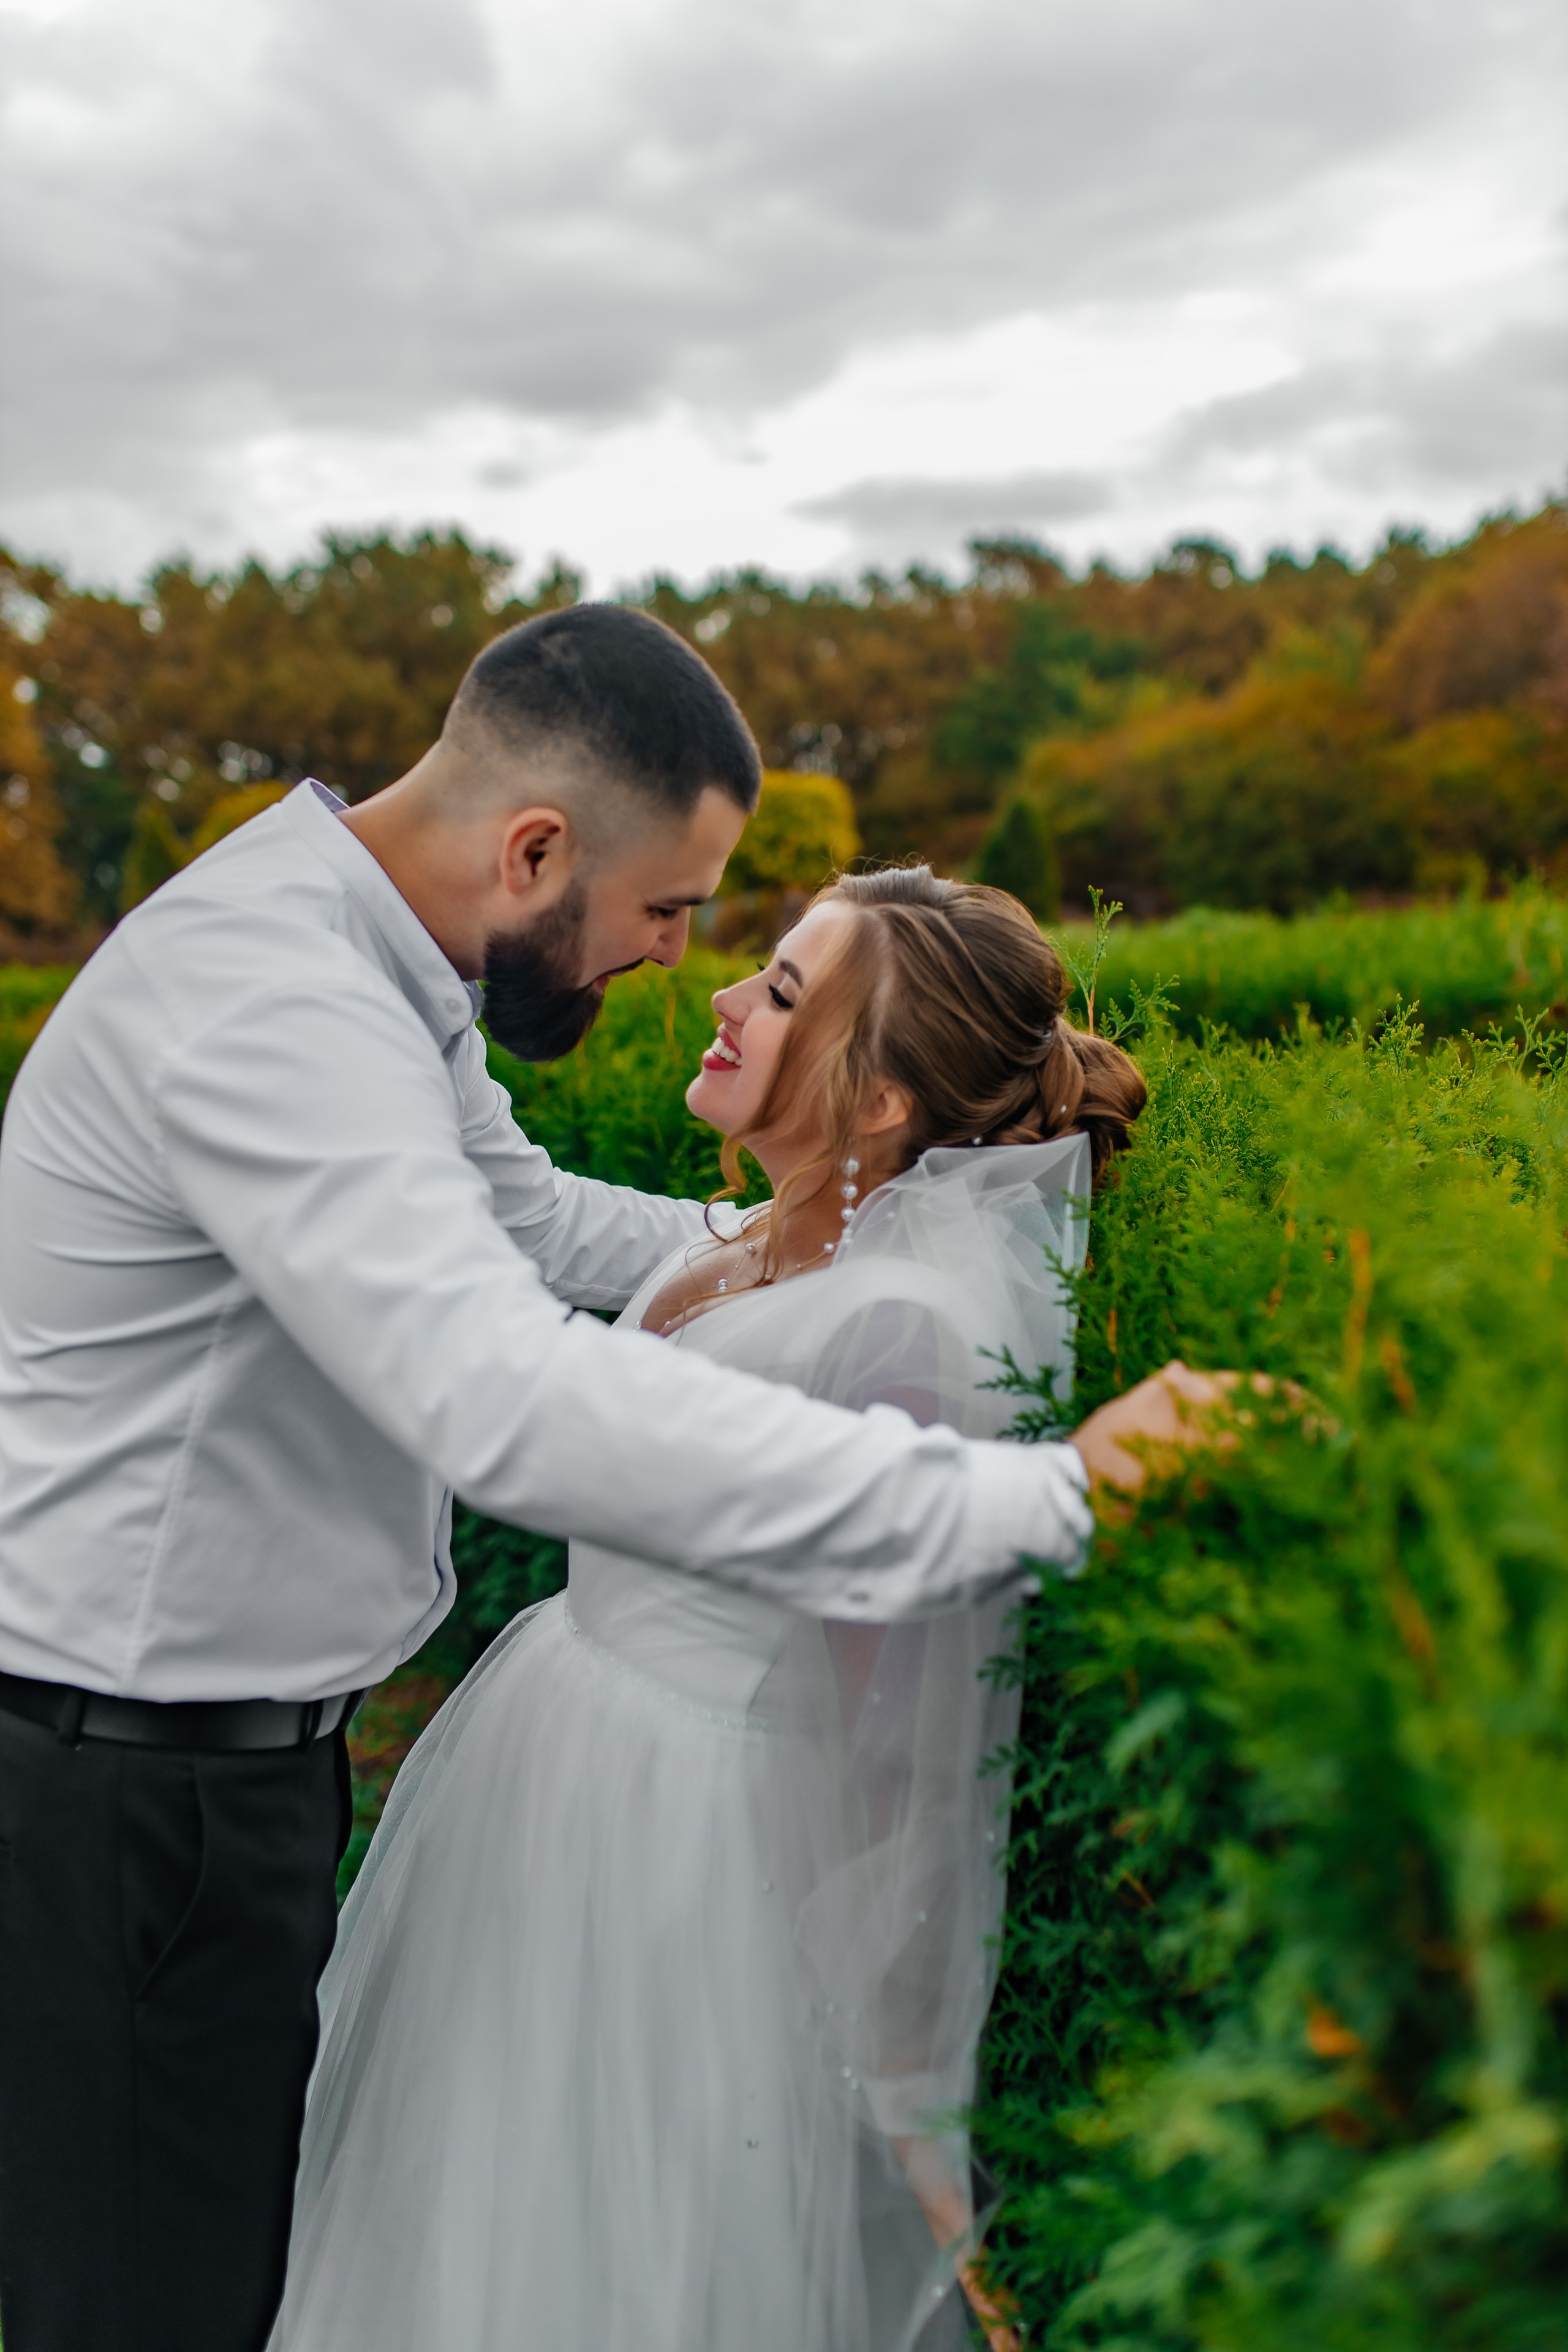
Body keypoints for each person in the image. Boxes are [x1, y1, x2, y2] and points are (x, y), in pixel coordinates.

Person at [0, 605, 1219, 2352]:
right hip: (122, 1797)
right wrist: (1046, 1500)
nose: (676, 963)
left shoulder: (371, 968)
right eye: (667, 910)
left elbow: (532, 1217)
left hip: (223, 1770)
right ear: (536, 850)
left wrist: (805, 1253)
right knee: (145, 2304)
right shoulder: (275, 1007)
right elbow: (501, 1397)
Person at [268, 869, 1189, 2352]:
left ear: (880, 1101)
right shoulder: (740, 1238)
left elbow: (898, 1715)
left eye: (776, 990)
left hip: (689, 1833)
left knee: (633, 2232)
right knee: (484, 2187)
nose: (717, 997)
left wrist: (900, 2069)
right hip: (556, 1746)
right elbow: (530, 1223)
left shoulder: (905, 1327)